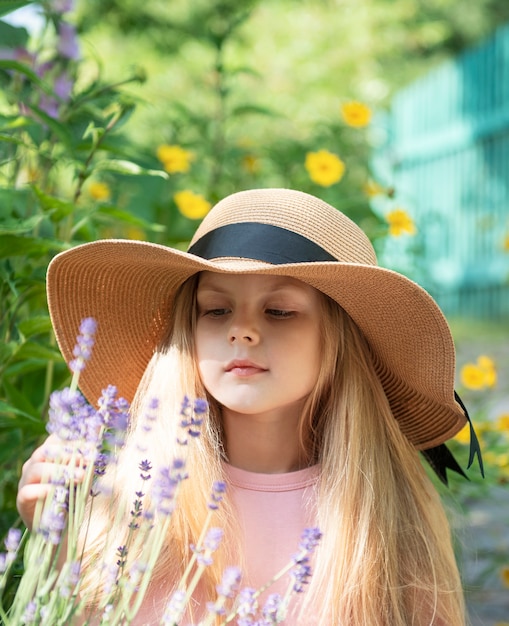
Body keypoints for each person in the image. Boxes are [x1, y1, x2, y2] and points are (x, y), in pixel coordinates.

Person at [17, 188, 482, 625]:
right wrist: (58, 538)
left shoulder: (385, 519)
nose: (242, 330)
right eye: (215, 310)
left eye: (279, 311)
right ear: (189, 330)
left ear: (339, 342)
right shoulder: (130, 500)